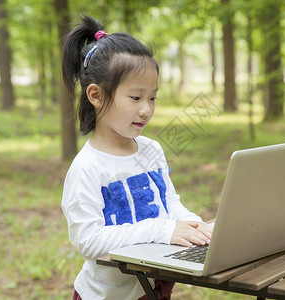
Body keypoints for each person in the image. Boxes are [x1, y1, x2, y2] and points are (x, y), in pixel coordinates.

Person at [60, 15, 213, 300]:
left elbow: (169, 203)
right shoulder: (87, 168)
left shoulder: (151, 149)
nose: (146, 110)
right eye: (135, 98)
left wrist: (194, 225)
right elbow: (88, 241)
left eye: (152, 98)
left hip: (151, 290)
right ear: (95, 95)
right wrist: (161, 230)